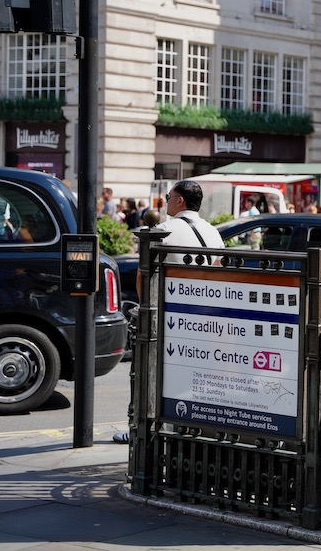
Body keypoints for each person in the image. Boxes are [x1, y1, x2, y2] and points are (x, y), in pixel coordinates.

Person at [116, 180, 224, 445]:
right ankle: (191, 426)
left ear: (180, 202)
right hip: (206, 318)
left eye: (168, 196)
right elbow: (221, 271)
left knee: (151, 375)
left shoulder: (162, 229)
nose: (166, 201)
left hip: (170, 318)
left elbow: (145, 274)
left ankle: (141, 429)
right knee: (195, 376)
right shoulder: (213, 232)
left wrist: (146, 311)